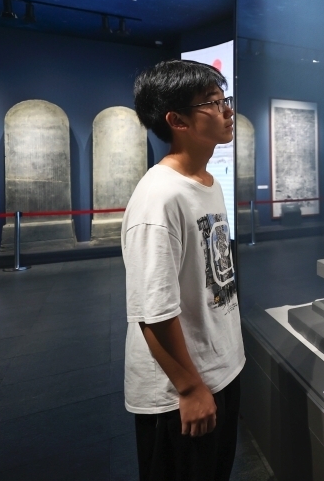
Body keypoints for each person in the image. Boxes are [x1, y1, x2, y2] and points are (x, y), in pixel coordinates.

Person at [122, 59, 245, 481]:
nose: (227, 110)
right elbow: (152, 309)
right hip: (178, 392)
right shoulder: (159, 198)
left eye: (224, 99)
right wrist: (190, 387)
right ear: (177, 121)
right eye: (212, 102)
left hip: (218, 372)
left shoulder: (207, 183)